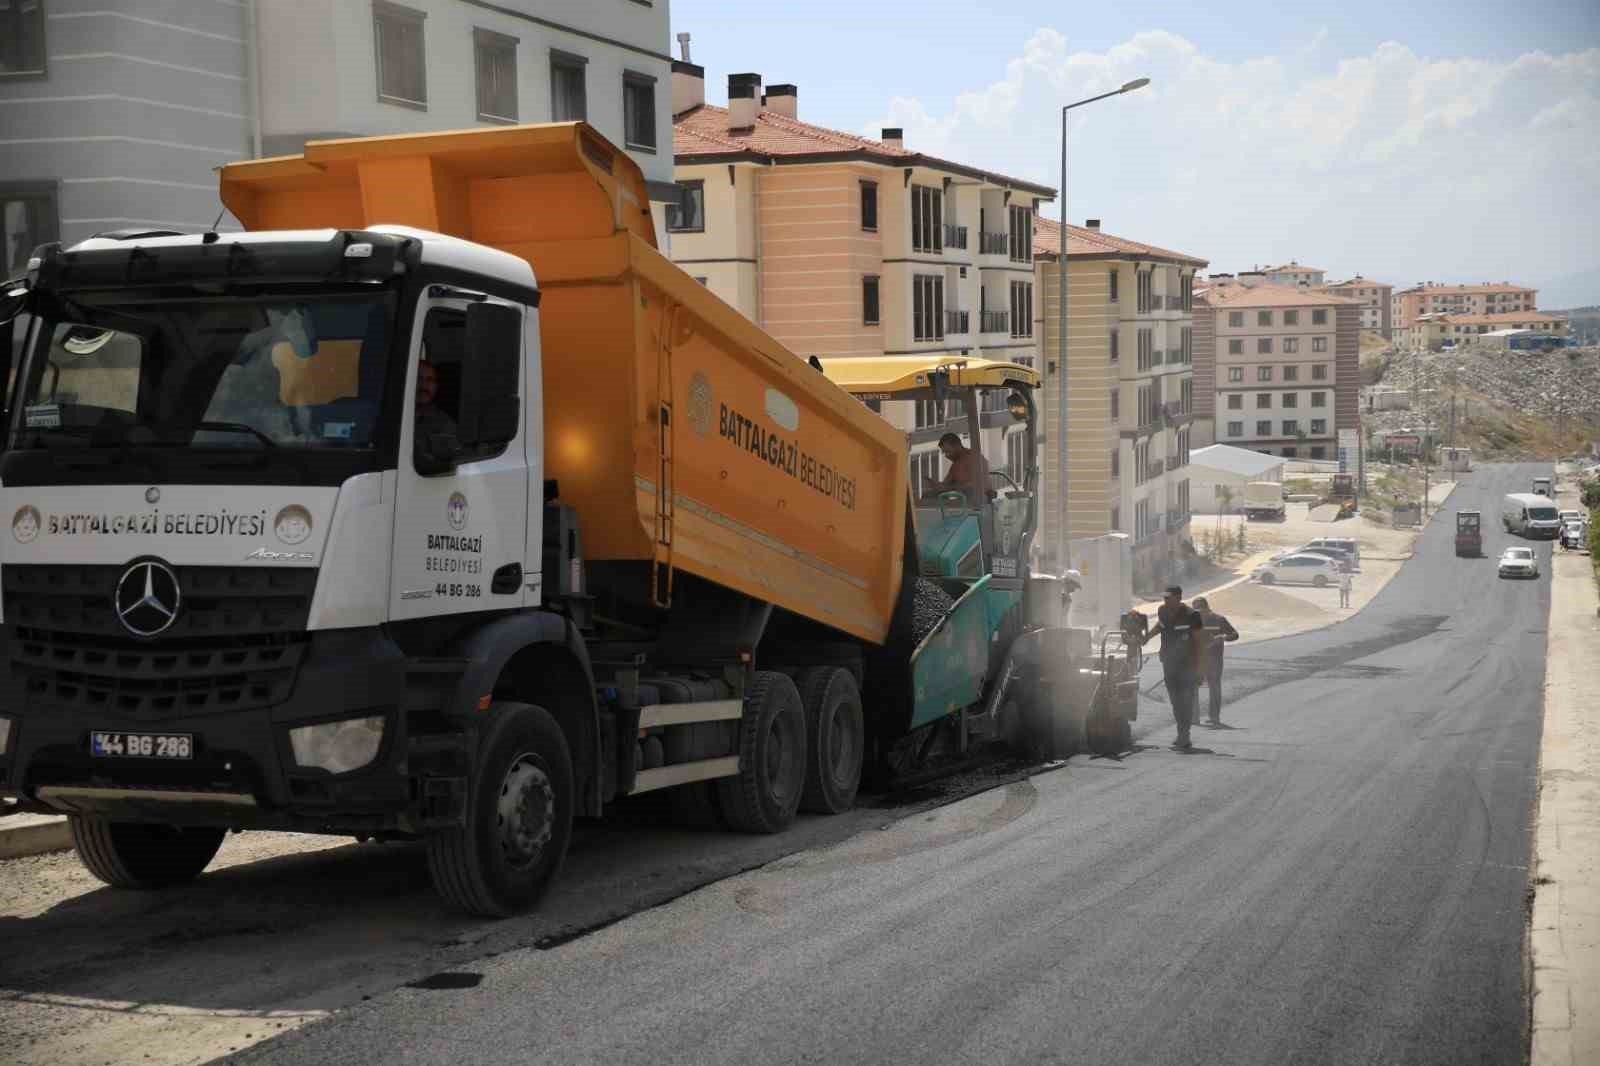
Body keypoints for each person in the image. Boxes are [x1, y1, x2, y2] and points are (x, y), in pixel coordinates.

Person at [1143, 586, 1203, 749]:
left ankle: (1185, 734)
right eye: (1164, 598)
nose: (1165, 600)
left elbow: (1199, 644)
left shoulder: (1192, 615)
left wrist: (1199, 669)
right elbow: (1160, 625)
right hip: (1169, 665)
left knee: (1186, 700)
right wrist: (1147, 637)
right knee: (1176, 701)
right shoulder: (1162, 610)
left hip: (1188, 666)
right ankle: (1181, 733)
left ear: (1178, 597)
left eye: (1168, 597)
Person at [1192, 596, 1239, 726]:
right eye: (1197, 611)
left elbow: (1235, 634)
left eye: (1202, 610)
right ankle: (1194, 718)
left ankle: (1214, 718)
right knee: (1193, 687)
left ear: (1207, 608)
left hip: (1214, 660)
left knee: (1214, 688)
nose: (1200, 613)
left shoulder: (1219, 620)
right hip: (1197, 660)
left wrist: (1223, 637)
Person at [414, 359, 459, 467]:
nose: (424, 385)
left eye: (430, 380)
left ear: (436, 386)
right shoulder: (394, 419)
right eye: (419, 378)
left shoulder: (445, 425)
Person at [931, 432, 990, 504]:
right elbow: (946, 484)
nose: (946, 456)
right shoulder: (956, 464)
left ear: (957, 446)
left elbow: (974, 486)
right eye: (944, 453)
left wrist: (949, 488)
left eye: (948, 451)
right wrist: (937, 485)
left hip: (974, 504)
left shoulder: (973, 457)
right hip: (962, 502)